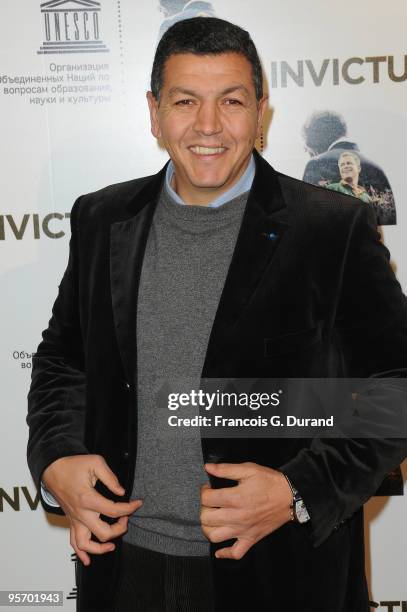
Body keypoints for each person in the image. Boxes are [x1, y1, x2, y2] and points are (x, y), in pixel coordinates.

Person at [26, 16, 407, 612]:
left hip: (280, 572)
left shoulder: (333, 229)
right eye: (185, 101)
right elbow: (62, 361)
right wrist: (56, 459)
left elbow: (395, 387)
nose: (208, 126)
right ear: (154, 112)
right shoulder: (101, 218)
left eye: (230, 101)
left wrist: (295, 490)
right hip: (123, 569)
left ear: (260, 113)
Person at [302, 110, 397, 225]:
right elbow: (386, 224)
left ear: (315, 142)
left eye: (309, 150)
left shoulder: (315, 165)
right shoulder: (376, 168)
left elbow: (307, 221)